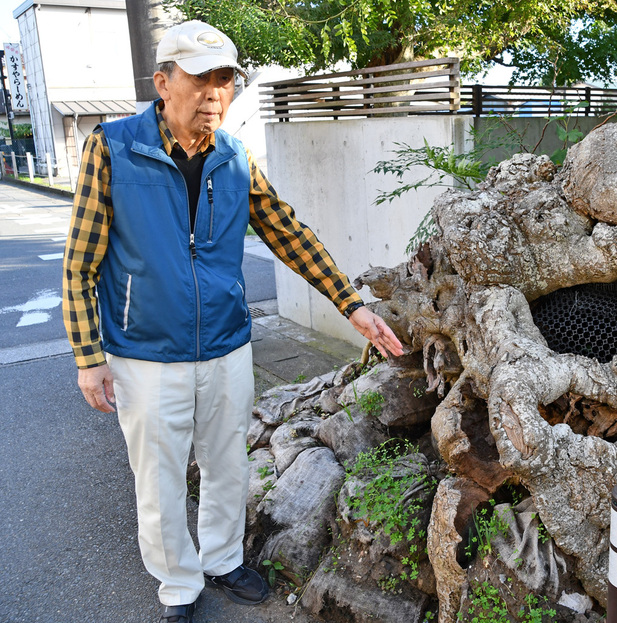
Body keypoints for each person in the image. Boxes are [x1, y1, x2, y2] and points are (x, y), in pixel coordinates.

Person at [61, 20, 404, 623]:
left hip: (225, 345)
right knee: (160, 480)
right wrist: (89, 359)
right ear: (163, 83)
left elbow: (286, 231)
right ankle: (178, 586)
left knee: (227, 464)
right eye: (202, 79)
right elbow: (81, 263)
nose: (215, 93)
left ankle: (221, 560)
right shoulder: (111, 147)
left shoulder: (234, 155)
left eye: (225, 80)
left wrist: (351, 303)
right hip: (144, 352)